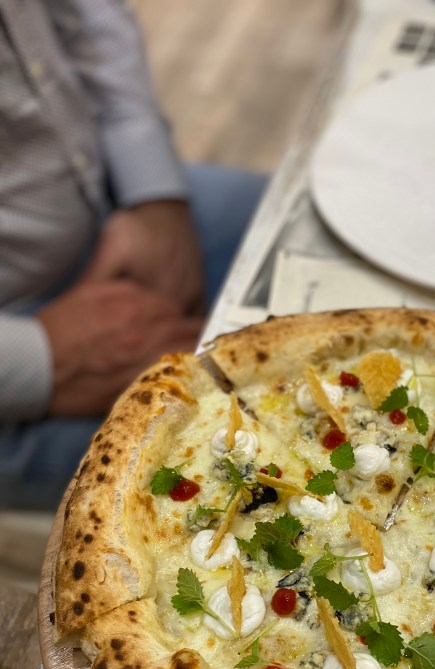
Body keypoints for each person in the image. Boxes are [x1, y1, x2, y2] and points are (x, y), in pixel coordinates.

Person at [0, 1, 266, 510]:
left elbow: (87, 14)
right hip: (21, 357)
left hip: (110, 191)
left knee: (334, 243)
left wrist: (153, 192)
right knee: (251, 451)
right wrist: (40, 360)